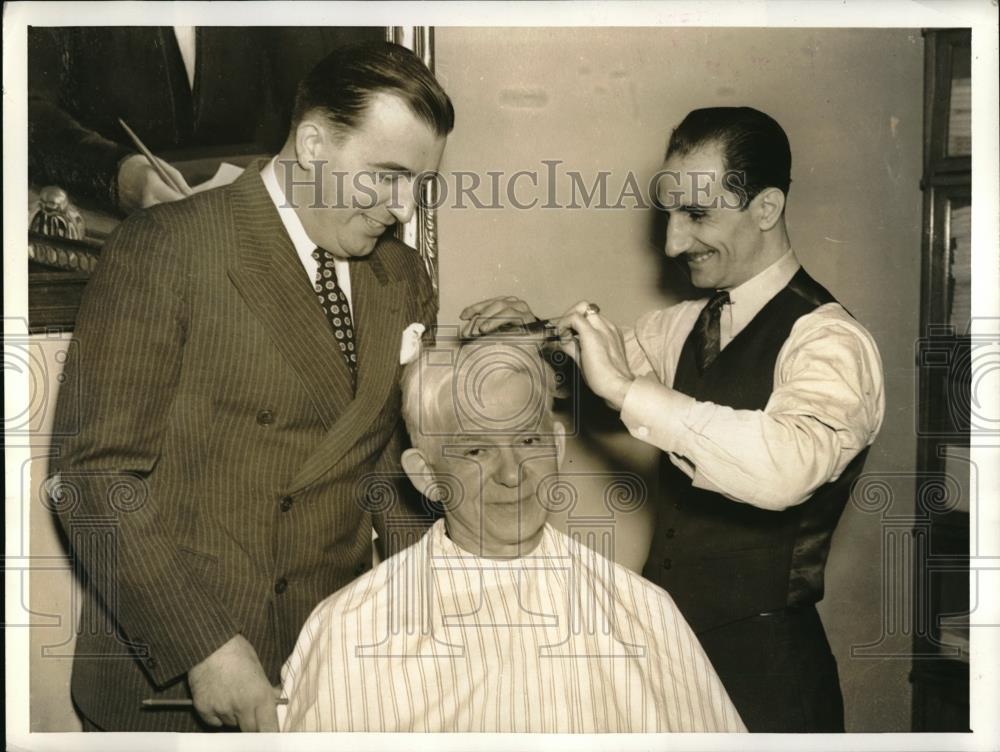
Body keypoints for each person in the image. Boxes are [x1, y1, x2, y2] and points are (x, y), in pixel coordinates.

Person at [48, 42, 453, 732]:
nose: (405, 208)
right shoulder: (168, 247)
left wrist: (429, 615)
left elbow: (388, 470)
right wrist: (201, 645)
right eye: (386, 177)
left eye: (419, 183)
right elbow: (89, 477)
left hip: (330, 664)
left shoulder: (403, 275)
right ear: (315, 143)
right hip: (178, 671)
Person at [459, 107, 885, 732]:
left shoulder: (832, 343)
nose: (673, 243)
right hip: (667, 654)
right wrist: (525, 335)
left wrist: (629, 389)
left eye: (697, 215)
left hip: (766, 681)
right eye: (669, 215)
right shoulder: (686, 324)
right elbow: (585, 363)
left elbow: (786, 468)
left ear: (765, 209)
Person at [278, 340, 746, 733]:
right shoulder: (354, 627)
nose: (511, 474)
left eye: (527, 442)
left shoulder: (643, 611)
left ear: (557, 448)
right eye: (476, 449)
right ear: (426, 476)